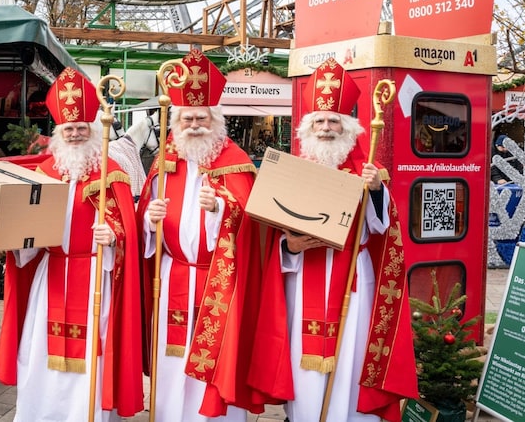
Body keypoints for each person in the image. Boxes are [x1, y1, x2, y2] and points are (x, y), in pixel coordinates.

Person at [249, 58, 418, 422]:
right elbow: (271, 232)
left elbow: (382, 229)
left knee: (350, 361)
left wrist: (375, 190)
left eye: (333, 121)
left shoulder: (368, 171)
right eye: (320, 121)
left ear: (348, 126)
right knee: (302, 364)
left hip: (352, 280)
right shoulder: (291, 171)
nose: (326, 128)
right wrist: (288, 247)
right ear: (309, 127)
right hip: (302, 274)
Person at [0, 67, 144, 421]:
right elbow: (25, 233)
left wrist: (115, 238)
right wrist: (15, 242)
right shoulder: (43, 174)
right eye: (69, 129)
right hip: (51, 273)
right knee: (41, 349)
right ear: (58, 133)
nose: (75, 134)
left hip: (94, 275)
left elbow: (128, 232)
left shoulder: (112, 174)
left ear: (93, 131)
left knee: (93, 351)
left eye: (81, 128)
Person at [136, 49, 265, 421]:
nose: (194, 124)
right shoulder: (164, 161)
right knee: (170, 362)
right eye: (187, 118)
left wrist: (221, 209)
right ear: (176, 121)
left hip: (218, 283)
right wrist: (149, 218)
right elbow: (145, 215)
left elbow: (255, 227)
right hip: (172, 274)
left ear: (215, 119)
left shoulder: (235, 161)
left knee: (214, 362)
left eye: (201, 117)